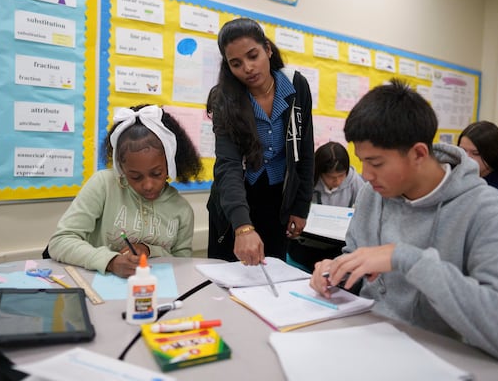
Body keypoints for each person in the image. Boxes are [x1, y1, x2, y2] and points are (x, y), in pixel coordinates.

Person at [310, 79, 498, 364]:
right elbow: (359, 257)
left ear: (419, 153)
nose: (366, 175)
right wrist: (338, 272)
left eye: (377, 163)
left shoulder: (488, 211)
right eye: (362, 161)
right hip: (370, 347)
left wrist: (408, 259)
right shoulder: (373, 194)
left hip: (442, 362)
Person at [206, 18, 314, 265]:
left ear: (267, 48)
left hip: (278, 204)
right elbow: (228, 165)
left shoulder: (297, 86)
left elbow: (305, 152)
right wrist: (242, 227)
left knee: (272, 275)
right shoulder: (225, 98)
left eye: (252, 55)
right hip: (234, 202)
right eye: (236, 63)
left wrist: (300, 207)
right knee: (228, 280)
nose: (247, 68)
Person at [48, 104, 203, 278]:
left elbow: (182, 264)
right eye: (135, 177)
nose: (148, 185)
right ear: (121, 168)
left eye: (156, 173)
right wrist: (110, 261)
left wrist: (149, 251)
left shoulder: (181, 210)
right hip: (99, 292)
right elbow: (60, 242)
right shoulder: (104, 185)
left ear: (171, 163)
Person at [287, 141, 365, 272]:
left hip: (336, 246)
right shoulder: (307, 183)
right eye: (331, 177)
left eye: (341, 176)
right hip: (306, 245)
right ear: (320, 172)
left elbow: (365, 206)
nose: (337, 181)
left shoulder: (354, 181)